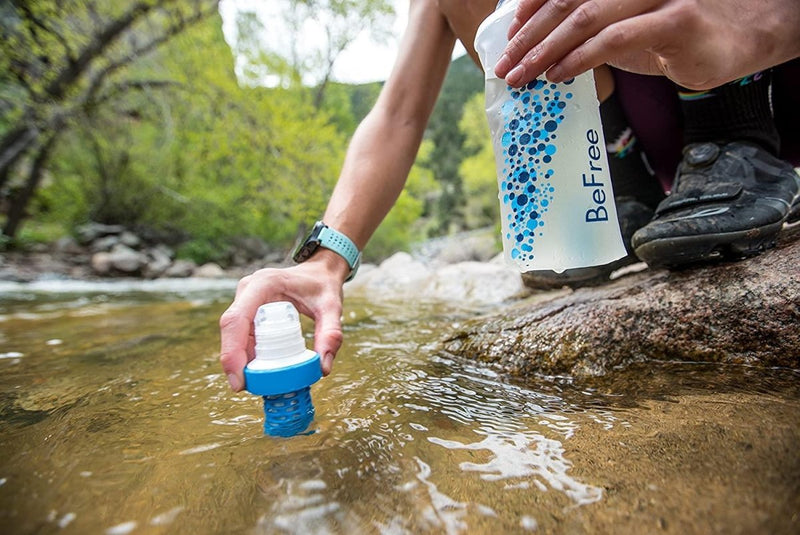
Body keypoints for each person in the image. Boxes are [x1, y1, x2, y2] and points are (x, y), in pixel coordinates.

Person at [219, 0, 800, 392]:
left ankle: (735, 133)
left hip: (760, 77)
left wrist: (751, 31)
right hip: (644, 131)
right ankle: (619, 196)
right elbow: (396, 115)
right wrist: (326, 262)